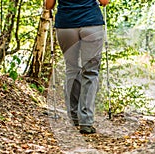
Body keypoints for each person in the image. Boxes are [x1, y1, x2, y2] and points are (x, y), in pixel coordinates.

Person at [45, 0, 109, 134]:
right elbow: (105, 2)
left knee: (72, 70)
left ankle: (74, 117)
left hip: (66, 25)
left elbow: (49, 5)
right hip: (91, 24)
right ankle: (86, 121)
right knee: (90, 72)